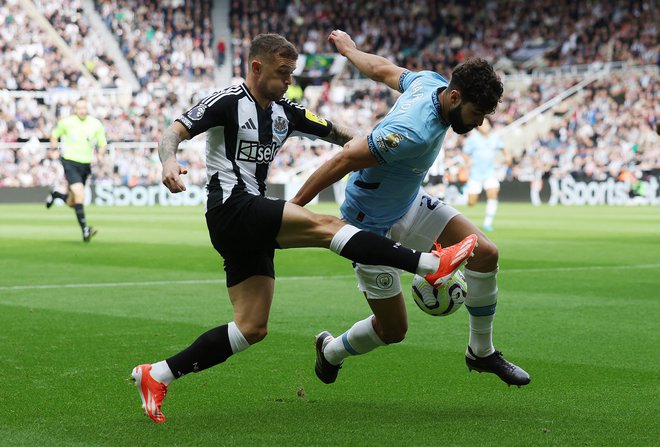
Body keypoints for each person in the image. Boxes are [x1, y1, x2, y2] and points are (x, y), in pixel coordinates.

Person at [130, 33, 477, 423]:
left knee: (251, 328)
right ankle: (431, 266)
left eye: (291, 73)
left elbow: (338, 134)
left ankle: (157, 374)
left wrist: (383, 148)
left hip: (248, 221)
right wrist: (168, 162)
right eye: (282, 73)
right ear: (256, 67)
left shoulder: (285, 111)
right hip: (232, 207)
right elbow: (174, 131)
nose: (288, 81)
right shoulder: (227, 102)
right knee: (329, 226)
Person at [291, 30, 530, 388]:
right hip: (368, 224)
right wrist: (292, 208)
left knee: (486, 254)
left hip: (409, 203)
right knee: (393, 329)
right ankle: (331, 351)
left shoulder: (427, 82)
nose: (480, 122)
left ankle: (481, 352)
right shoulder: (410, 132)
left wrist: (350, 50)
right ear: (454, 96)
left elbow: (382, 69)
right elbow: (344, 160)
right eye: (477, 113)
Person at [45, 99, 106, 242]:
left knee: (72, 202)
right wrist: (54, 149)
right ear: (75, 109)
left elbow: (102, 143)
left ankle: (56, 195)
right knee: (80, 196)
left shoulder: (95, 124)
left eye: (84, 107)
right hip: (70, 162)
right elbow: (54, 135)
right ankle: (85, 230)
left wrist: (101, 155)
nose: (82, 110)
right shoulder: (66, 122)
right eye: (79, 108)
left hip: (86, 165)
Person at [462, 116, 511, 231]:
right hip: (475, 175)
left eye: (487, 124)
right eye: (483, 124)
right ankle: (464, 192)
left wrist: (508, 157)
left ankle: (487, 223)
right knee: (471, 202)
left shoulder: (494, 138)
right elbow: (464, 153)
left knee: (493, 193)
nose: (486, 126)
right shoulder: (473, 139)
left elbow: (504, 149)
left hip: (490, 173)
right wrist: (468, 160)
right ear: (478, 127)